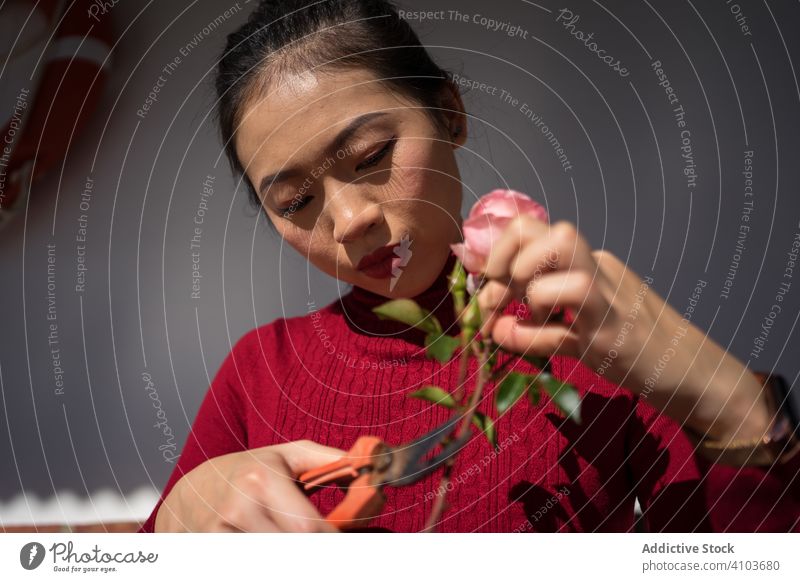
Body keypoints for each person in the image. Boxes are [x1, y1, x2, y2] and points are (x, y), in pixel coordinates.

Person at [140, 0, 799, 533]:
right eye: (295, 202)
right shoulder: (261, 374)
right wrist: (179, 518)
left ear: (449, 112)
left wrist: (737, 407)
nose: (348, 221)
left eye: (371, 155)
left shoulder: (578, 337)